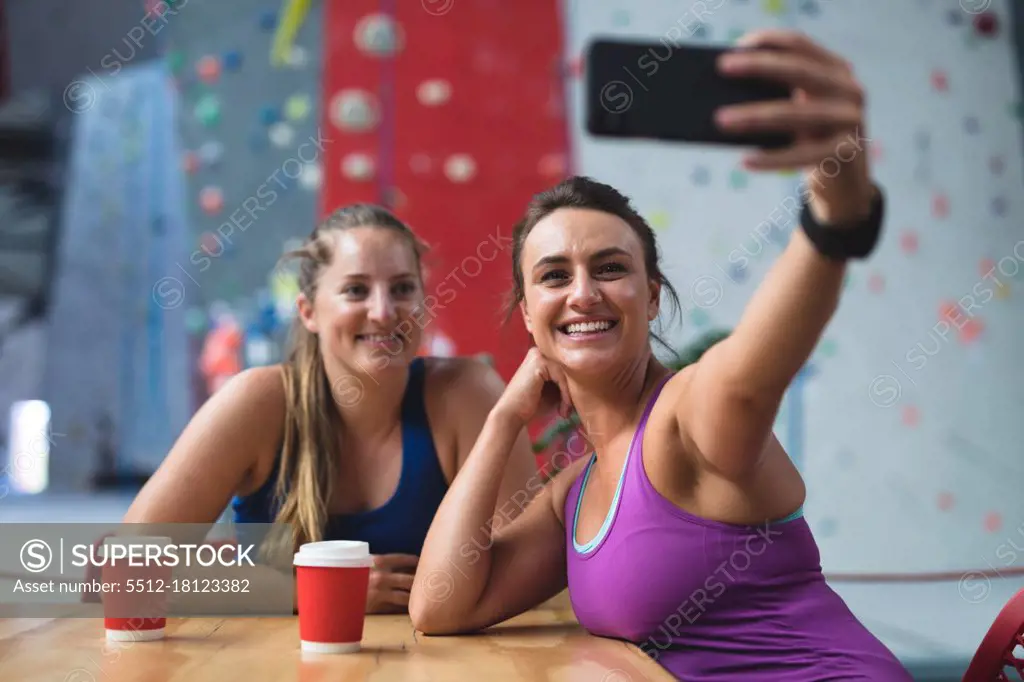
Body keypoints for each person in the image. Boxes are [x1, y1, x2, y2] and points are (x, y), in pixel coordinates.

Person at [409, 30, 912, 681]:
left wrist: (836, 216)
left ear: (650, 297)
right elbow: (441, 606)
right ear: (530, 315)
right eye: (555, 276)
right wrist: (505, 417)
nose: (583, 293)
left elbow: (748, 382)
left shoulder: (687, 419)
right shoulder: (576, 492)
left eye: (610, 268)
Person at [123, 204, 539, 614]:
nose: (383, 311)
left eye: (402, 288)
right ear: (308, 312)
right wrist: (320, 593)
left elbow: (528, 568)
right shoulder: (257, 403)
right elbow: (124, 571)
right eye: (356, 290)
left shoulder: (463, 395)